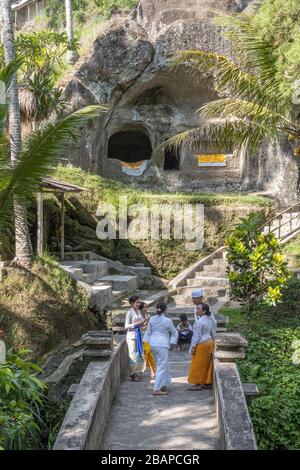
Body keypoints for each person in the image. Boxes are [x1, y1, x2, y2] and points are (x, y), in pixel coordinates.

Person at [144, 302, 178, 396]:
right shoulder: (167, 321)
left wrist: (145, 342)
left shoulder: (152, 319)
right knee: (161, 366)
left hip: (153, 344)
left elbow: (148, 332)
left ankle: (163, 384)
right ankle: (157, 388)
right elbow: (174, 333)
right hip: (163, 344)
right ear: (165, 310)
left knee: (163, 364)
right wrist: (172, 343)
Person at [187, 303, 215, 391]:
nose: (196, 310)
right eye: (197, 309)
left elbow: (197, 336)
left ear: (204, 311)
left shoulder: (200, 322)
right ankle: (206, 381)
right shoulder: (209, 319)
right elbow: (213, 330)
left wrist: (193, 346)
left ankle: (198, 383)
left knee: (198, 364)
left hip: (202, 344)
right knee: (207, 364)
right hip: (209, 342)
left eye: (199, 309)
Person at [125, 295, 146, 382]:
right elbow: (126, 326)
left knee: (138, 355)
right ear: (132, 303)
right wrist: (136, 324)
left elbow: (141, 321)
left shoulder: (138, 311)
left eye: (139, 302)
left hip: (138, 335)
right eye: (137, 302)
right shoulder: (129, 313)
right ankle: (132, 374)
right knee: (132, 355)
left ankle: (135, 372)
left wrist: (143, 323)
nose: (138, 304)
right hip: (132, 336)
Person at [138, 301, 156, 380]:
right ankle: (139, 371)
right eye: (144, 307)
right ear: (141, 309)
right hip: (140, 338)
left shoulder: (148, 315)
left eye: (146, 307)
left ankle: (154, 372)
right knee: (145, 355)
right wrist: (145, 324)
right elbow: (139, 327)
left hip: (149, 338)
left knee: (150, 355)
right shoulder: (138, 316)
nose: (146, 309)